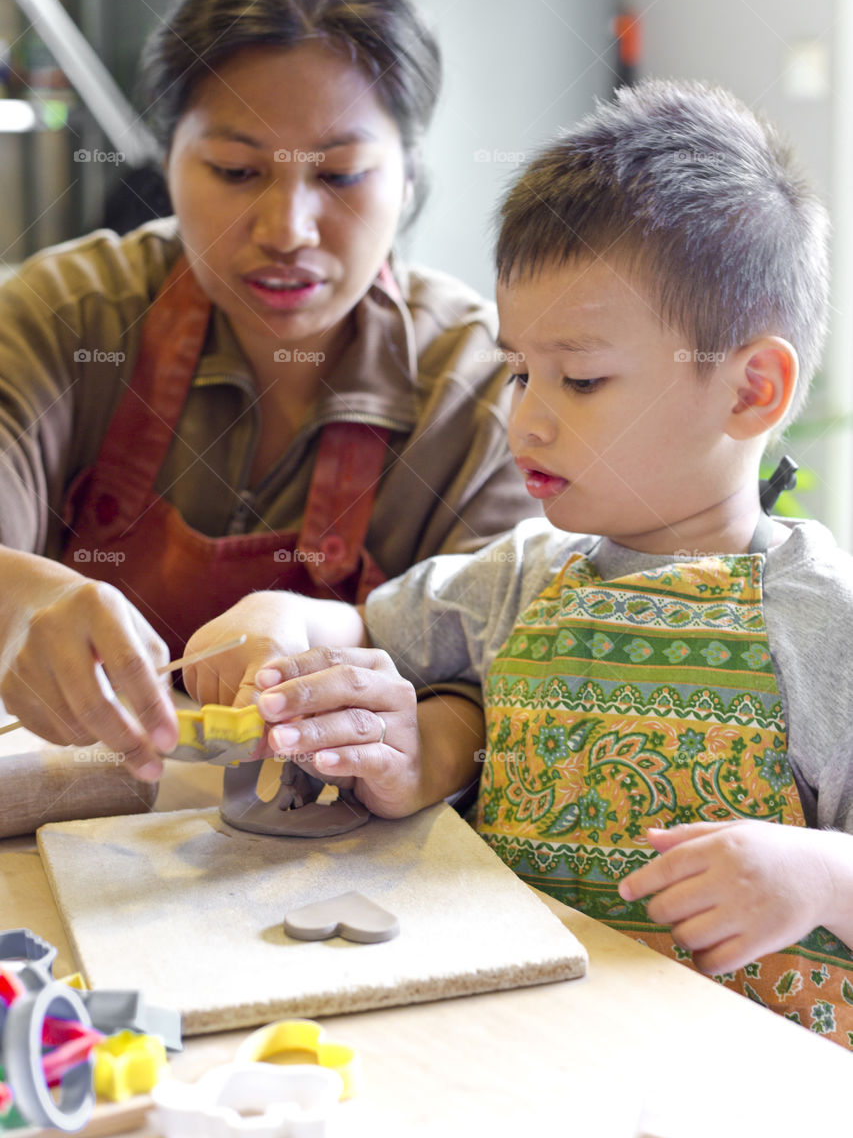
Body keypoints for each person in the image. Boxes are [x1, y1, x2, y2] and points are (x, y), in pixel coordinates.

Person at [195, 79, 853, 1045]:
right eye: (517, 370)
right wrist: (276, 621)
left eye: (580, 378)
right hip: (523, 1053)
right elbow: (368, 630)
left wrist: (822, 874)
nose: (527, 417)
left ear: (751, 389)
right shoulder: (521, 576)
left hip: (746, 1082)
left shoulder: (821, 621)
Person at [0, 0, 538, 781]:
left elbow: (522, 675)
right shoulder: (66, 319)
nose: (287, 228)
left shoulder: (480, 387)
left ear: (408, 181)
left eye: (341, 175)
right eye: (236, 169)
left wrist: (423, 741)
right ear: (167, 164)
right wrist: (18, 602)